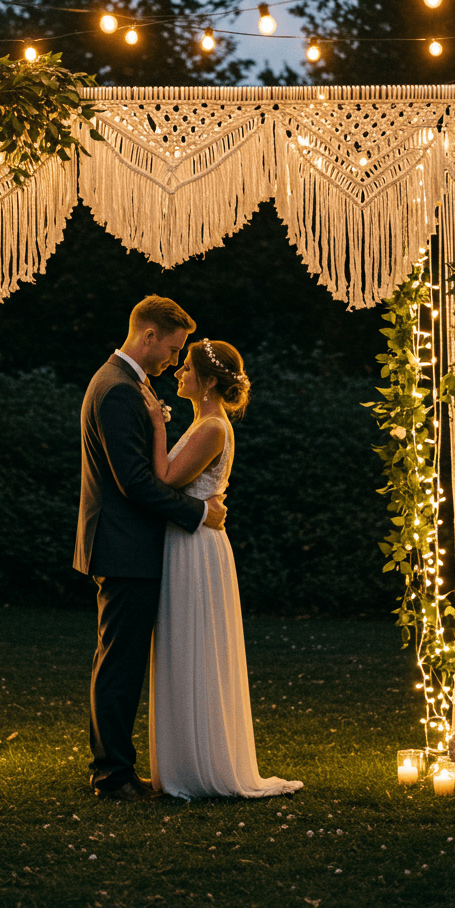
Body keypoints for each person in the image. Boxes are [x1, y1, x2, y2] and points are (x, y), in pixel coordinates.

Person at [75, 296, 227, 802]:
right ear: (149, 336)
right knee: (120, 663)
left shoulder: (125, 383)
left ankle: (116, 768)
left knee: (121, 659)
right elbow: (135, 482)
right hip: (124, 547)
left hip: (129, 545)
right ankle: (113, 775)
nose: (172, 360)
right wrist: (198, 514)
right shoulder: (117, 389)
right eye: (172, 347)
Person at [141, 338, 303, 799]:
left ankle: (198, 765)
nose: (178, 374)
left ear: (208, 381)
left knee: (195, 644)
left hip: (196, 546)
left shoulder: (212, 427)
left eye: (187, 369)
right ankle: (185, 760)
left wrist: (156, 425)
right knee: (183, 644)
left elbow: (166, 479)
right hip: (189, 538)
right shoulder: (204, 423)